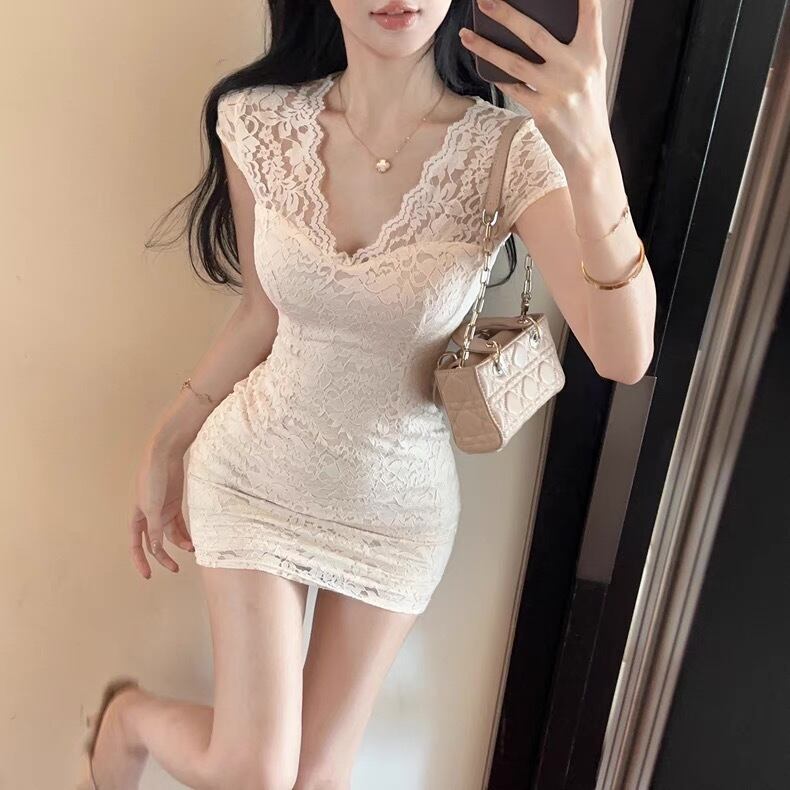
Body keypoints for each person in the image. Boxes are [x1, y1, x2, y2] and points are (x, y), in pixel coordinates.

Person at [78, 0, 656, 788]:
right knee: (254, 771)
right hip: (254, 476)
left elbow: (623, 355)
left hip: (396, 511)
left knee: (315, 780)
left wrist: (590, 154)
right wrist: (171, 435)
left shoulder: (505, 153)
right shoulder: (258, 121)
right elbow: (260, 313)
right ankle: (130, 719)